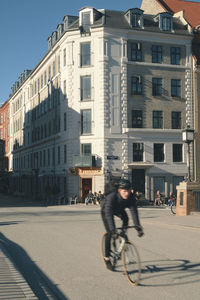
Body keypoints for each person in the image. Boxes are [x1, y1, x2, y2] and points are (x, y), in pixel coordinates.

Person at [101, 178, 144, 271]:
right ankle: (107, 258)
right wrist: (112, 231)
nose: (127, 193)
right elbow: (108, 215)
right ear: (119, 190)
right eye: (124, 191)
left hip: (119, 209)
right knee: (109, 233)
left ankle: (122, 235)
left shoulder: (131, 197)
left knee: (126, 218)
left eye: (128, 191)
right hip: (106, 211)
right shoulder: (111, 197)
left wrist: (138, 227)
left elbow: (134, 212)